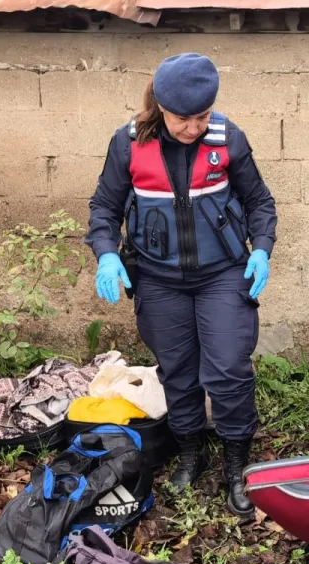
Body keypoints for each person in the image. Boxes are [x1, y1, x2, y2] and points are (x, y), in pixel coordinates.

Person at [84, 53, 279, 518]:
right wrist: (107, 254)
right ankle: (191, 450)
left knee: (229, 368)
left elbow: (260, 202)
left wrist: (262, 248)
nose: (193, 128)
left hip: (223, 273)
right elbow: (104, 208)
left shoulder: (227, 138)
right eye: (183, 119)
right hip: (158, 278)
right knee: (177, 369)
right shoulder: (128, 144)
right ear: (160, 109)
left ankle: (236, 463)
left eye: (202, 117)